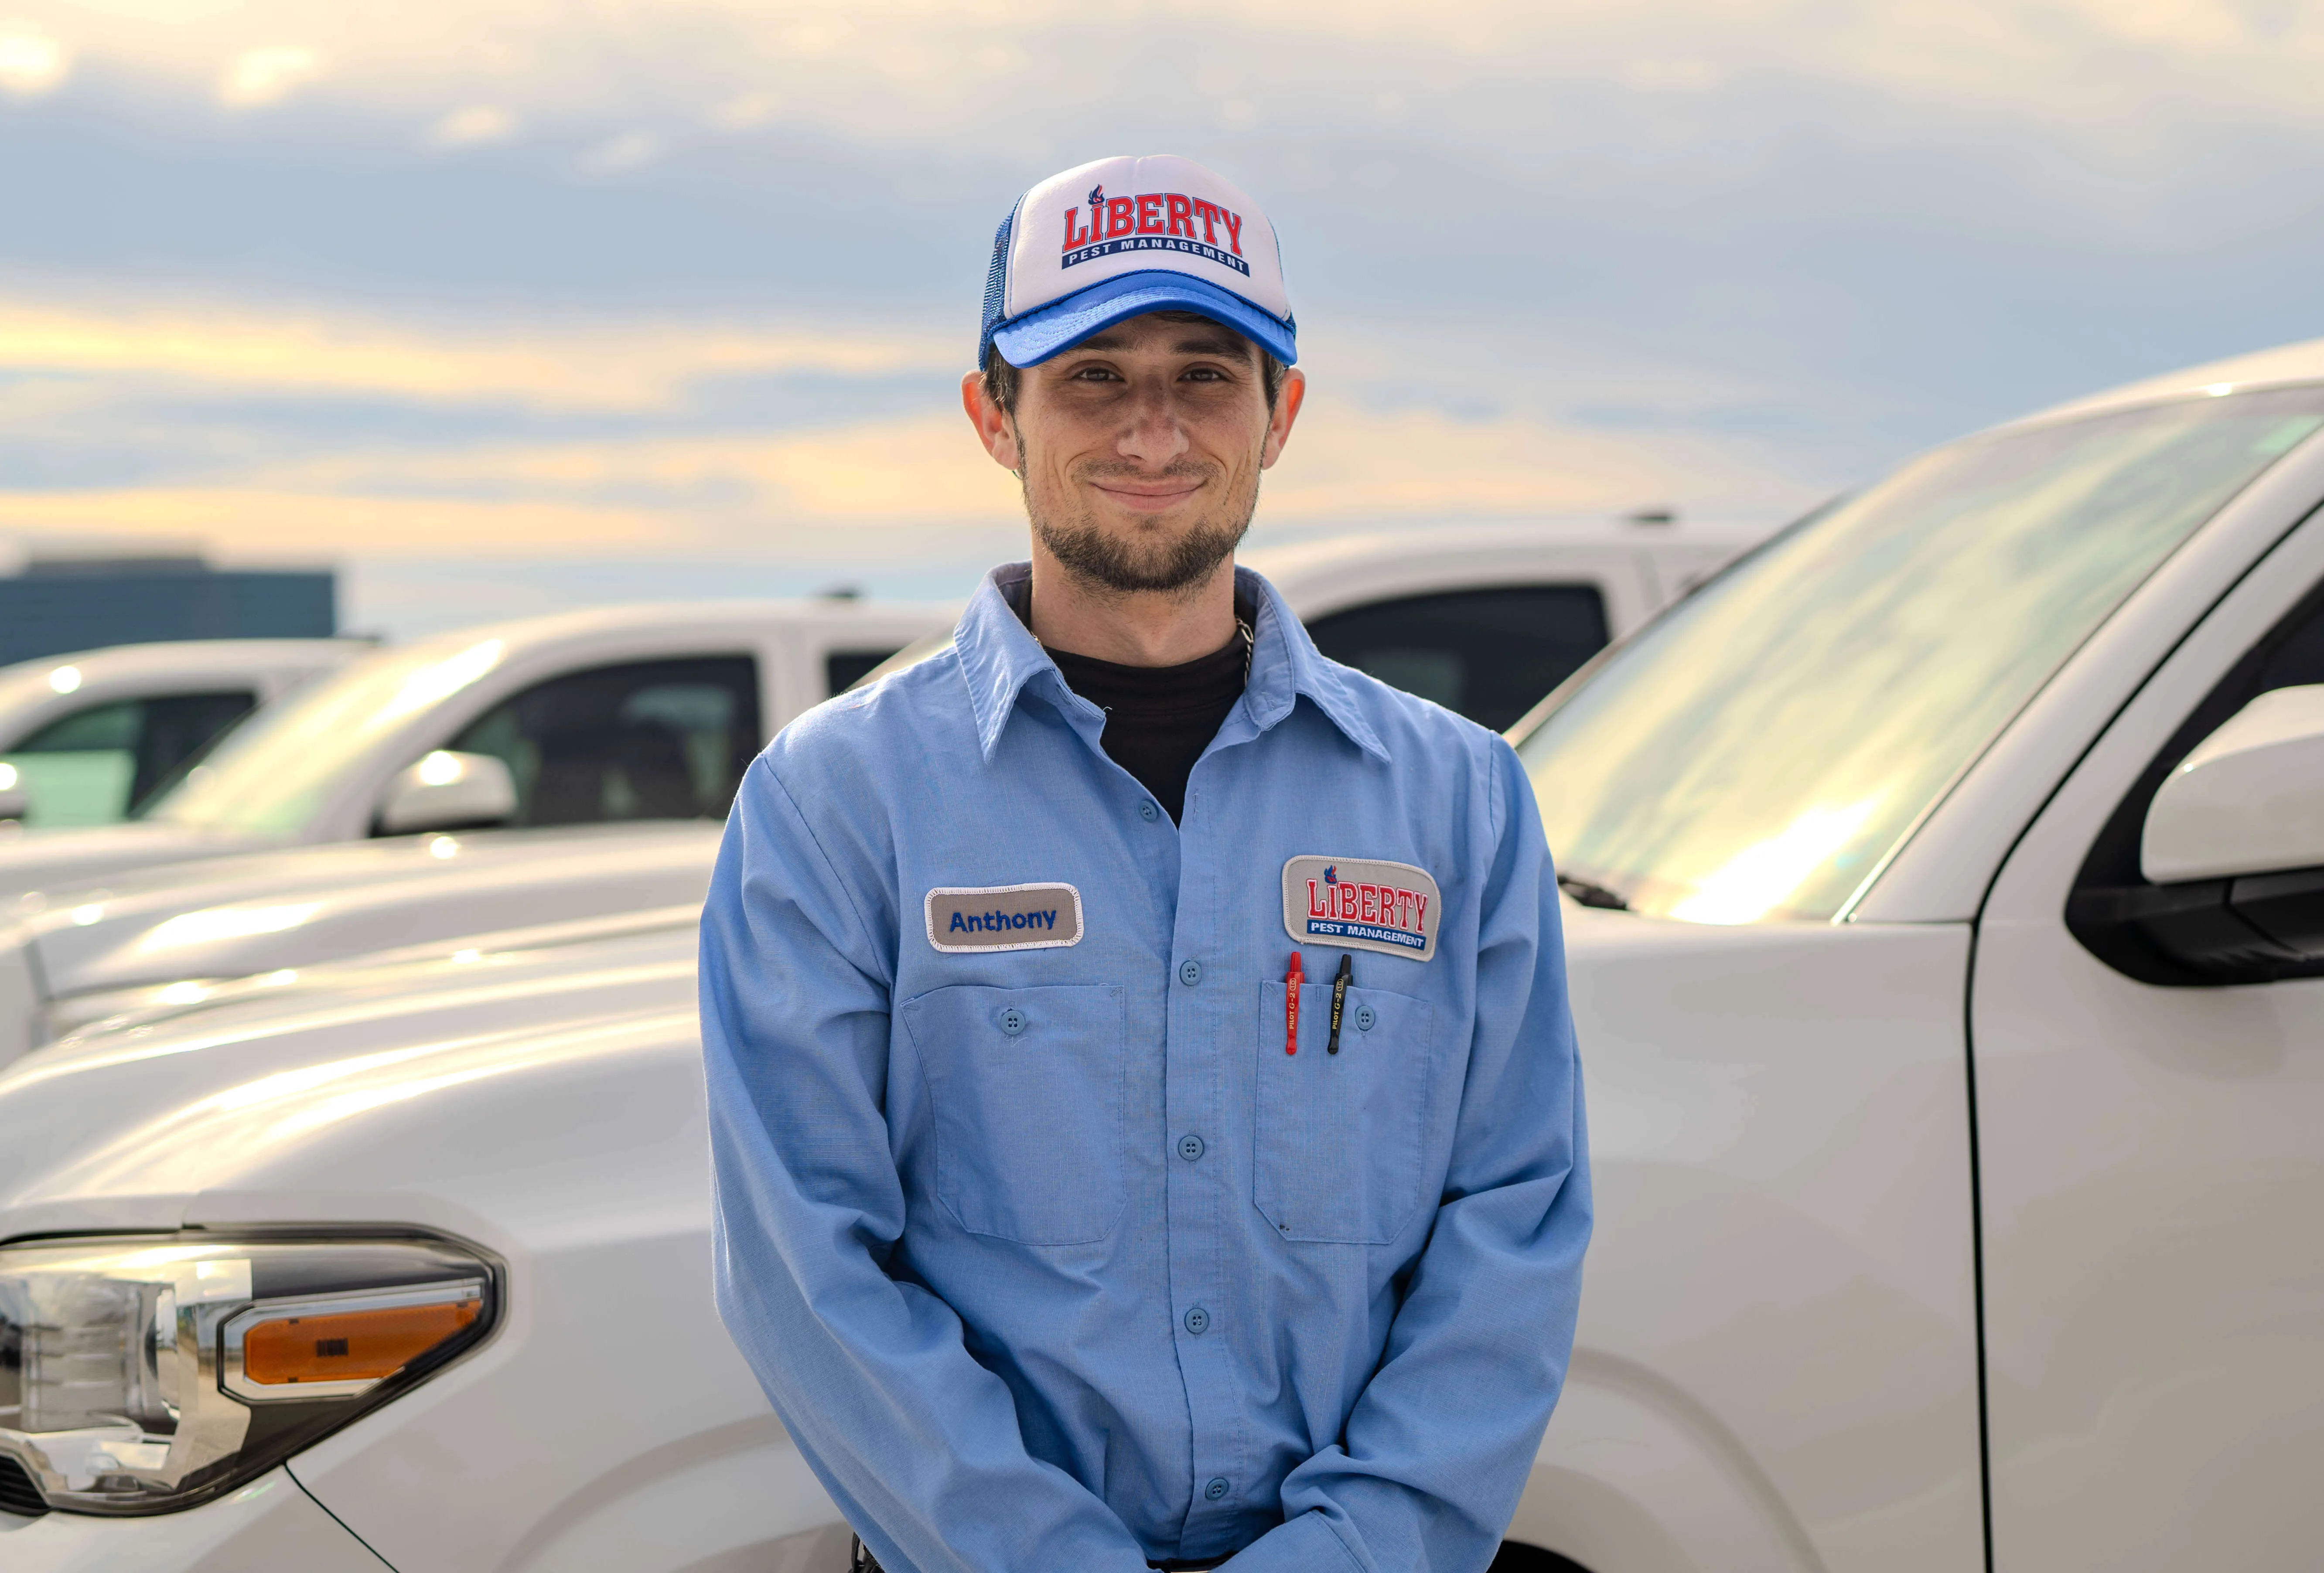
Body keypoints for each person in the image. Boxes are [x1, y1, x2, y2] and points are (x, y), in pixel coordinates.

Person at [701, 153, 1590, 1573]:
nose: (1154, 430)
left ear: (1281, 413)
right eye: (1093, 376)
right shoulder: (836, 801)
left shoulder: (1459, 801)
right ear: (997, 417)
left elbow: (1515, 1224)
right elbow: (805, 1266)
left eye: (1205, 374)